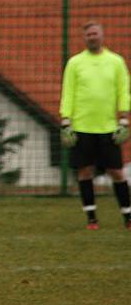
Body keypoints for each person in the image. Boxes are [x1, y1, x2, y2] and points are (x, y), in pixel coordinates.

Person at [60, 21, 130, 230]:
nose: (92, 37)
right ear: (84, 38)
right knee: (85, 171)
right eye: (88, 34)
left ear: (102, 35)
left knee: (116, 172)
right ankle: (91, 218)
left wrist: (124, 119)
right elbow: (68, 92)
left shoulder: (116, 61)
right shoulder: (75, 63)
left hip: (108, 127)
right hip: (82, 127)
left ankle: (127, 216)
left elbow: (123, 90)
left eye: (95, 33)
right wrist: (66, 121)